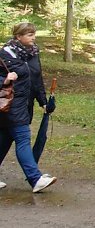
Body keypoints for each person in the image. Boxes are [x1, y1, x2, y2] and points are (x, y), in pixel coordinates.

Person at [0, 22, 57, 193]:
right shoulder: (4, 54)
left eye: (34, 34)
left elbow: (36, 80)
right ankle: (35, 179)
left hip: (25, 106)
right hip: (10, 106)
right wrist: (5, 79)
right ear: (18, 36)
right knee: (23, 138)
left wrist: (43, 101)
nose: (33, 37)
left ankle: (35, 178)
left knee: (3, 141)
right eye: (29, 34)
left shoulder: (32, 53)